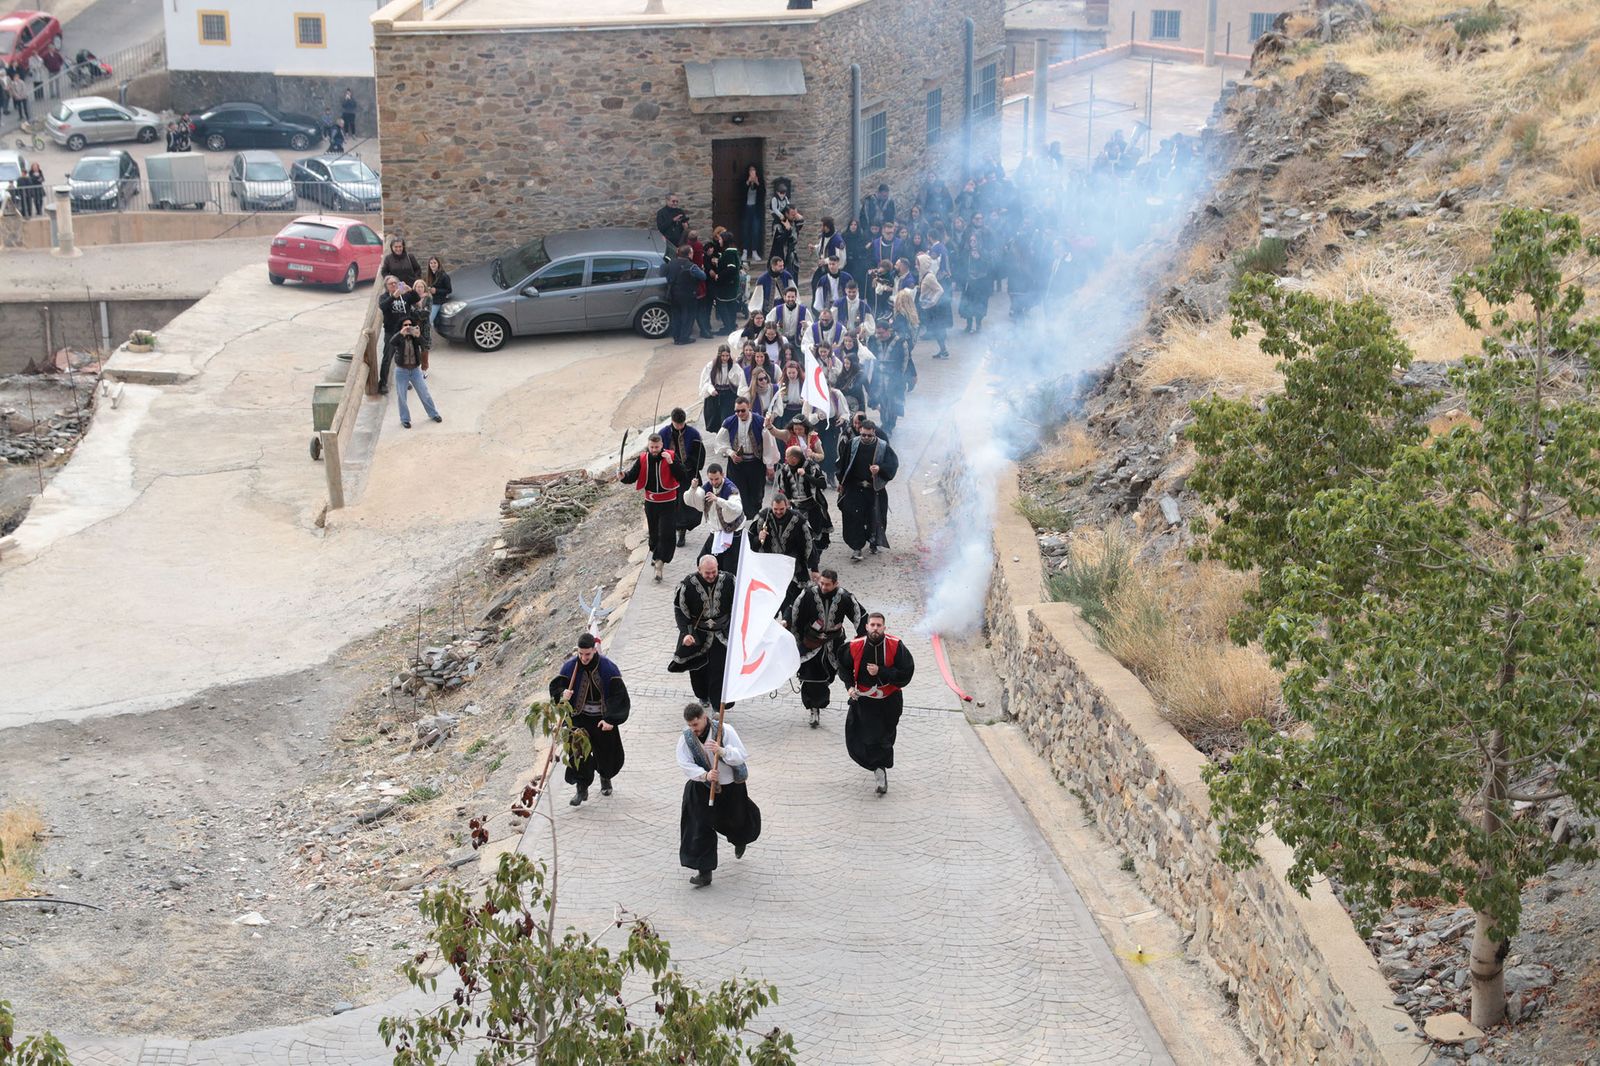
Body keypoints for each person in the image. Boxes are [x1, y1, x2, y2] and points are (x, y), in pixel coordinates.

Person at [677, 702, 760, 888]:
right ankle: (704, 871)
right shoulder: (687, 738)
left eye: (696, 725)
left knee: (737, 821)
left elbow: (741, 755)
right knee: (699, 825)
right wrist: (704, 775)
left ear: (704, 718)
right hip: (703, 788)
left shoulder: (725, 730)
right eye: (690, 725)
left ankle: (740, 839)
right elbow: (684, 763)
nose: (693, 729)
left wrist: (722, 751)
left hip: (730, 787)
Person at [548, 633, 630, 806]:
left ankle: (605, 777)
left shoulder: (608, 668)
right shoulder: (570, 667)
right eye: (581, 654)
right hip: (579, 718)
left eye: (588, 654)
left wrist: (611, 720)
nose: (584, 658)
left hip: (603, 718)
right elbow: (556, 688)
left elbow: (619, 696)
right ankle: (581, 787)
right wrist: (563, 694)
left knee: (606, 752)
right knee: (578, 753)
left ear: (594, 650)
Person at [844, 613, 915, 795]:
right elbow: (843, 666)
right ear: (866, 627)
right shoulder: (856, 646)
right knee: (865, 735)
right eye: (872, 625)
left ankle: (880, 767)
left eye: (879, 625)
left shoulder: (895, 645)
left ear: (884, 627)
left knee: (885, 736)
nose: (875, 628)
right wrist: (850, 686)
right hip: (866, 700)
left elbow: (906, 671)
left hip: (890, 700)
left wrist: (881, 671)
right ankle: (878, 768)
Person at [789, 569, 867, 728]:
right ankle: (814, 707)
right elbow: (795, 614)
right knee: (811, 676)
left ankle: (818, 701)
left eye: (828, 584)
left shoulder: (845, 597)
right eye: (822, 583)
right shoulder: (808, 595)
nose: (824, 587)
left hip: (834, 643)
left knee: (828, 675)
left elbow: (859, 615)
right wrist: (793, 637)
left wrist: (864, 638)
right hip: (811, 641)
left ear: (836, 584)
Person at [670, 555, 736, 712]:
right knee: (698, 669)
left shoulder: (729, 580)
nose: (711, 575)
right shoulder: (687, 585)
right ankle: (702, 694)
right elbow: (680, 611)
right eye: (707, 573)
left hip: (721, 634)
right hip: (697, 635)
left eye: (714, 571)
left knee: (718, 670)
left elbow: (739, 603)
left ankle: (717, 706)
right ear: (699, 570)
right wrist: (686, 633)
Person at [621, 432, 685, 581]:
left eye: (657, 447)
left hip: (668, 502)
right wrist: (623, 477)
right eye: (652, 447)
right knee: (654, 534)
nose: (654, 450)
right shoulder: (643, 458)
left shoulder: (671, 456)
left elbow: (682, 476)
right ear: (648, 446)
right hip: (651, 503)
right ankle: (656, 555)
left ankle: (660, 563)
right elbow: (632, 476)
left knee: (667, 534)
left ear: (662, 445)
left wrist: (671, 462)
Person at [835, 418, 897, 561]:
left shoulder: (883, 446)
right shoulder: (852, 444)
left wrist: (880, 469)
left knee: (874, 517)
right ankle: (857, 548)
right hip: (854, 487)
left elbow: (893, 464)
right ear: (860, 432)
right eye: (863, 435)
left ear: (874, 433)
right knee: (853, 517)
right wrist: (841, 481)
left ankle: (873, 541)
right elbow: (843, 463)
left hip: (873, 489)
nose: (866, 438)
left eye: (869, 435)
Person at [715, 397, 776, 519]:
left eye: (742, 410)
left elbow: (769, 445)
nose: (739, 414)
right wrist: (731, 453)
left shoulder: (760, 422)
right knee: (737, 492)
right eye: (737, 411)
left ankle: (753, 517)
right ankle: (741, 518)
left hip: (755, 463)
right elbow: (721, 441)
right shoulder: (729, 422)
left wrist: (770, 466)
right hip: (737, 465)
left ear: (749, 407)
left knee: (756, 493)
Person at [751, 492, 812, 612]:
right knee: (768, 606)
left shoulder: (798, 520)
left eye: (781, 509)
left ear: (787, 505)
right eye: (775, 509)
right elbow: (750, 543)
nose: (778, 512)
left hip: (791, 568)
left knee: (789, 604)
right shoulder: (763, 518)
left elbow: (808, 543)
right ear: (771, 506)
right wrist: (758, 538)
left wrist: (812, 567)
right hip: (768, 569)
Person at [773, 444, 830, 574]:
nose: (786, 459)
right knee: (800, 536)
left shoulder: (811, 467)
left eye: (788, 456)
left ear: (795, 458)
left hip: (813, 506)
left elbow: (822, 484)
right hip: (795, 508)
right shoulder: (784, 469)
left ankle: (815, 563)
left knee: (816, 536)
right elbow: (782, 489)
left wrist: (806, 476)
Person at [684, 463, 745, 575]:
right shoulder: (707, 487)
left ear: (723, 475)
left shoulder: (731, 489)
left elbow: (737, 508)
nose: (714, 482)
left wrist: (718, 500)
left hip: (733, 533)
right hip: (716, 533)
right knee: (702, 561)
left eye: (716, 479)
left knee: (729, 569)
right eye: (711, 479)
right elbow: (691, 500)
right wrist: (693, 488)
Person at [659, 407, 706, 547]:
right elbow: (657, 452)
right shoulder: (663, 433)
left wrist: (689, 466)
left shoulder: (693, 434)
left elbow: (698, 455)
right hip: (670, 475)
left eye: (682, 423)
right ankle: (674, 530)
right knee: (672, 504)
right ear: (672, 421)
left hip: (688, 474)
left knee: (687, 504)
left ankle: (682, 531)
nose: (679, 426)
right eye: (677, 424)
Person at [386, 316, 442, 428]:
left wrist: (418, 335)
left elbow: (425, 345)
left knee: (424, 393)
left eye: (409, 325)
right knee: (402, 396)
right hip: (402, 371)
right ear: (401, 327)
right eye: (405, 325)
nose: (408, 327)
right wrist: (401, 333)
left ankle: (433, 414)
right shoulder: (399, 337)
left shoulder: (415, 337)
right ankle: (405, 419)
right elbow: (391, 342)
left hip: (415, 370)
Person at [871, 319, 915, 437]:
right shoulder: (874, 341)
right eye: (877, 333)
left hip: (895, 379)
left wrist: (905, 377)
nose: (878, 335)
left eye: (881, 333)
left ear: (888, 331)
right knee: (882, 402)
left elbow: (906, 360)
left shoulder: (900, 342)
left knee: (893, 403)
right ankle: (885, 423)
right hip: (879, 378)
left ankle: (889, 425)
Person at [377, 276, 418, 394]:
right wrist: (393, 296)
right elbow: (383, 306)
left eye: (396, 283)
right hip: (391, 331)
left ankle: (406, 381)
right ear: (386, 286)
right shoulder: (384, 297)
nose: (394, 285)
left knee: (406, 356)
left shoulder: (404, 295)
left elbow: (416, 298)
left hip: (406, 330)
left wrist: (410, 289)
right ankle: (383, 383)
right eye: (391, 284)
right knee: (387, 358)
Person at [665, 244, 706, 345]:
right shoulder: (691, 266)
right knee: (688, 317)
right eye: (692, 253)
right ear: (689, 254)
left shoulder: (671, 263)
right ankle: (684, 338)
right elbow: (703, 276)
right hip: (688, 295)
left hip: (673, 294)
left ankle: (676, 337)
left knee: (676, 316)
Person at [708, 227, 743, 335]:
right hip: (731, 285)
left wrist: (719, 275)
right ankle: (731, 325)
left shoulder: (729, 253)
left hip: (727, 286)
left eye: (720, 239)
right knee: (731, 306)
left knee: (723, 306)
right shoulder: (732, 252)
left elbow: (731, 268)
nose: (719, 241)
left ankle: (727, 328)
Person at [699, 344, 741, 433]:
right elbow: (706, 380)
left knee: (726, 419)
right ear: (719, 355)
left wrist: (734, 365)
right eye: (723, 356)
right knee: (716, 420)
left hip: (729, 395)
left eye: (727, 356)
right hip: (716, 395)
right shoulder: (711, 365)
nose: (725, 358)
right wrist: (711, 389)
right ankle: (719, 439)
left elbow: (738, 379)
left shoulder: (733, 365)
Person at [916, 252, 950, 358]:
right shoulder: (924, 275)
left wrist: (932, 301)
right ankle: (943, 350)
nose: (916, 266)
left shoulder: (929, 277)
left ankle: (943, 351)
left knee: (936, 329)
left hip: (933, 309)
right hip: (926, 307)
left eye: (918, 264)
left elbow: (940, 290)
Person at [740, 163, 765, 263]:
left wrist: (757, 183)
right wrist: (747, 183)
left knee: (755, 230)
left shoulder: (760, 181)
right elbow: (740, 192)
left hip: (755, 209)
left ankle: (754, 251)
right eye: (750, 170)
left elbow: (763, 193)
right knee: (746, 230)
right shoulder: (744, 181)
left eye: (754, 170)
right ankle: (745, 251)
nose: (752, 172)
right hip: (746, 208)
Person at [410, 278, 435, 371]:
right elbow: (411, 312)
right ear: (414, 288)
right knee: (414, 346)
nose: (419, 288)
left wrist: (418, 310)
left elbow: (427, 313)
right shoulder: (411, 298)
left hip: (425, 326)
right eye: (417, 286)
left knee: (425, 347)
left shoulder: (428, 298)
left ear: (424, 288)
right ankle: (415, 368)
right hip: (414, 326)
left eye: (421, 286)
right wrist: (421, 310)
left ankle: (424, 368)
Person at [425, 257, 452, 328]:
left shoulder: (444, 276)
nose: (433, 265)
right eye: (431, 263)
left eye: (435, 263)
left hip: (438, 301)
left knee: (428, 321)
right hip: (431, 300)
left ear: (438, 264)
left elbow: (449, 290)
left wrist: (436, 290)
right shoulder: (431, 275)